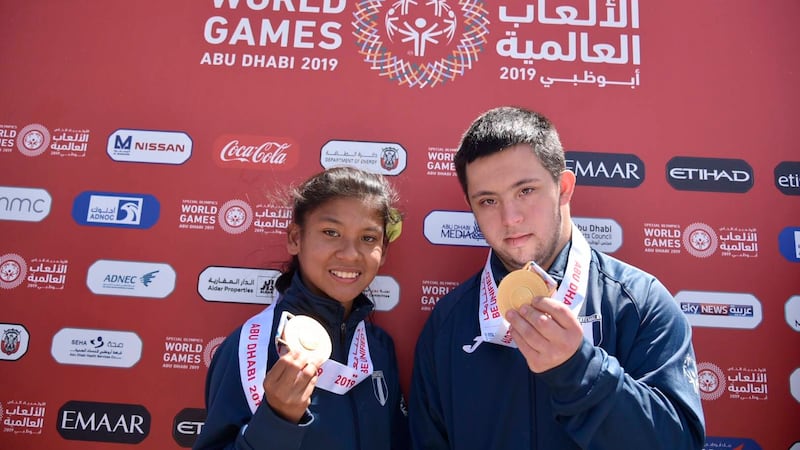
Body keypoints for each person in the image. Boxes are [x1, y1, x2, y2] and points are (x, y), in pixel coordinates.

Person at [409, 106, 705, 449]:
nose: (510, 218)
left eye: (526, 191)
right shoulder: (448, 323)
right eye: (488, 200)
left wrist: (579, 370)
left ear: (563, 187)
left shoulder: (639, 302)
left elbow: (678, 443)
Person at [195, 166, 409, 450]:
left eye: (368, 238)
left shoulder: (378, 348)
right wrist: (277, 420)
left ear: (382, 251)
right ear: (296, 238)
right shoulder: (253, 348)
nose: (350, 253)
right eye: (331, 232)